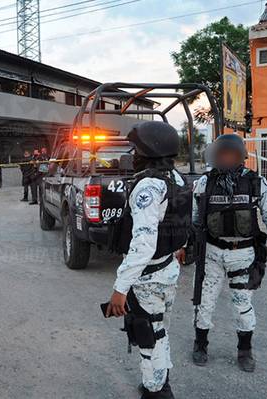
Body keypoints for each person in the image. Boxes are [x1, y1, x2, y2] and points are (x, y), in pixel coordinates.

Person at [182, 133, 267, 373]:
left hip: (243, 255)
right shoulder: (204, 183)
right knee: (204, 302)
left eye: (231, 154)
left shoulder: (255, 183)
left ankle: (245, 350)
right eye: (223, 154)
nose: (226, 158)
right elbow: (193, 218)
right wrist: (184, 245)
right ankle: (200, 344)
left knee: (243, 305)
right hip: (210, 254)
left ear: (241, 157)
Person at [106, 121, 191, 399]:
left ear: (148, 152)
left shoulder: (148, 187)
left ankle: (156, 391)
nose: (133, 155)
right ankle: (160, 381)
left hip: (148, 277)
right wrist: (180, 246)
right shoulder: (176, 178)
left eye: (137, 150)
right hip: (167, 269)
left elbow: (143, 244)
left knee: (146, 335)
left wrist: (120, 288)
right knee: (158, 328)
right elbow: (183, 220)